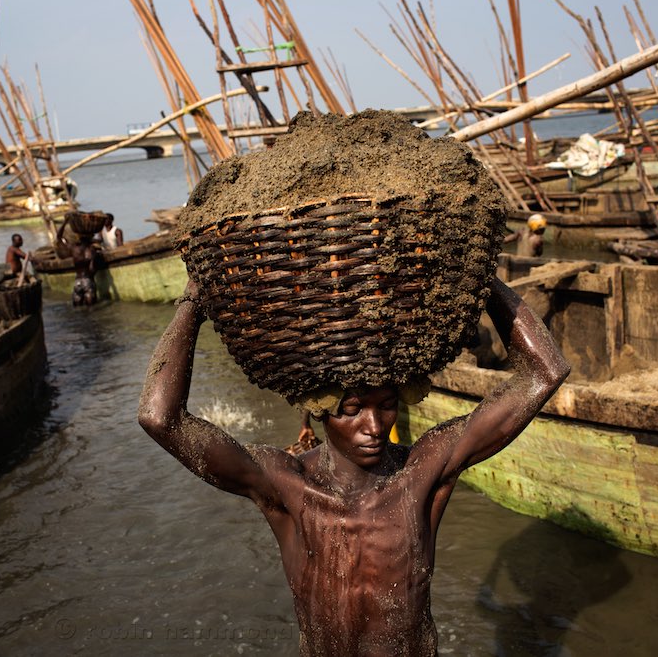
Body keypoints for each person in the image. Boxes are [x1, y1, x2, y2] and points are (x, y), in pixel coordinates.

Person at [138, 276, 570, 655]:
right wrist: (192, 302)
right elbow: (160, 418)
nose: (373, 426)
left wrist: (481, 276)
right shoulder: (287, 485)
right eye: (350, 410)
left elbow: (545, 373)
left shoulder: (422, 472)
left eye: (385, 406)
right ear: (321, 411)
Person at [57, 219, 99, 307]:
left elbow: (59, 237)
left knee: (77, 308)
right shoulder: (91, 250)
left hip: (78, 282)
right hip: (88, 280)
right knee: (92, 308)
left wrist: (64, 222)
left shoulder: (74, 249)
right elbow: (92, 269)